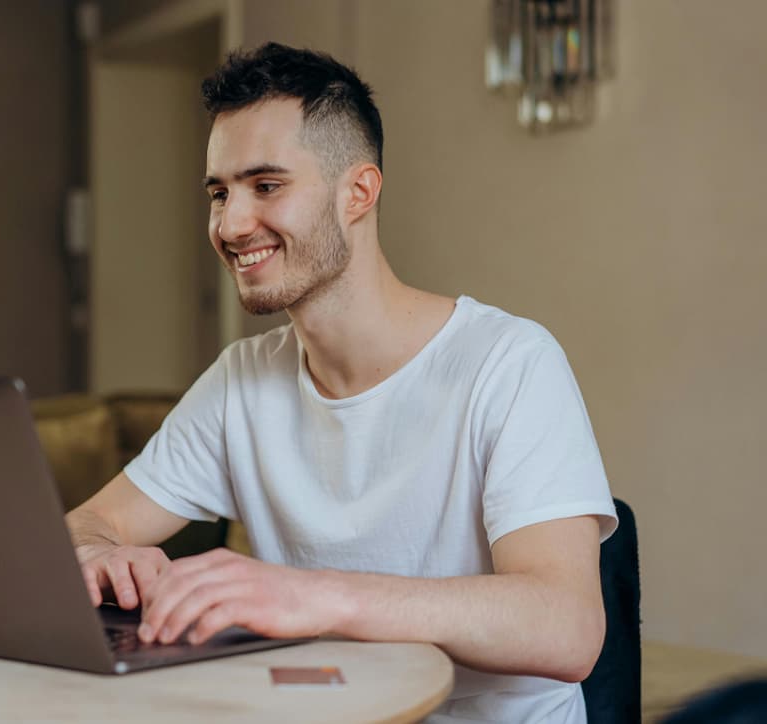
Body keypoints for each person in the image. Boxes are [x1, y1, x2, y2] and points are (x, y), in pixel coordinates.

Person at [65, 42, 618, 723]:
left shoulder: (509, 363)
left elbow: (568, 628)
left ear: (358, 192)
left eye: (266, 186)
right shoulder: (242, 380)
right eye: (219, 192)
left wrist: (316, 596)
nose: (231, 224)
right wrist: (96, 553)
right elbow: (89, 522)